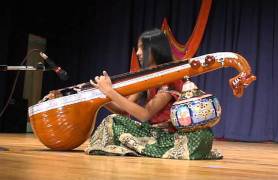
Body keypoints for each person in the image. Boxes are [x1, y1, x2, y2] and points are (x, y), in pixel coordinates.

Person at [86, 28, 222, 160]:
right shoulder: (147, 79)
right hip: (152, 132)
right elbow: (122, 110)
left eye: (142, 48)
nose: (138, 53)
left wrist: (110, 91)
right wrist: (101, 95)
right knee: (113, 120)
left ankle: (149, 147)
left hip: (168, 136)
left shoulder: (169, 79)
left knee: (111, 121)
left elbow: (144, 114)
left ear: (156, 50)